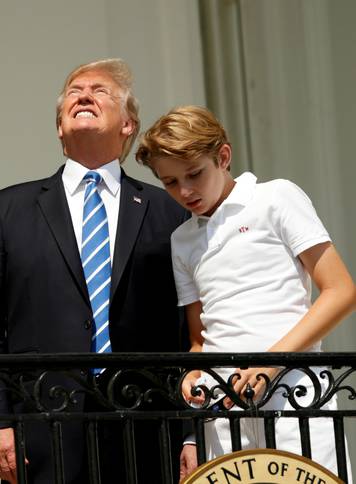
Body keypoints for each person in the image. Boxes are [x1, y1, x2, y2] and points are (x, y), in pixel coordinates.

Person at [135, 105, 356, 481]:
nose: (184, 191)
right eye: (170, 182)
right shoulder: (182, 240)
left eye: (194, 174)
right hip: (222, 415)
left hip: (296, 397)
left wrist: (269, 365)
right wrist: (192, 374)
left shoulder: (276, 197)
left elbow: (341, 291)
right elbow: (198, 339)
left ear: (223, 156)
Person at [0, 59, 188, 483]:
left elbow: (187, 329)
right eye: (74, 91)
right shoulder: (8, 210)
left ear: (128, 125)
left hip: (146, 429)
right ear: (59, 129)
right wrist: (0, 423)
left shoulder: (170, 213)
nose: (83, 94)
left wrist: (191, 434)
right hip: (40, 429)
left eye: (100, 91)